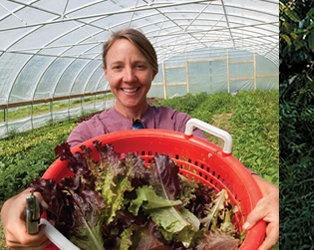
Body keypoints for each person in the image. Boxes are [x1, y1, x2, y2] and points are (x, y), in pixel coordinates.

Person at [1, 28, 279, 250]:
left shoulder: (178, 123)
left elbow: (224, 169)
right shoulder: (87, 135)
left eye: (140, 66)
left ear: (154, 71)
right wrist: (13, 207)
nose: (129, 77)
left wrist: (271, 194)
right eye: (118, 67)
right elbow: (46, 191)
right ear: (106, 73)